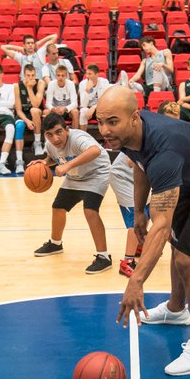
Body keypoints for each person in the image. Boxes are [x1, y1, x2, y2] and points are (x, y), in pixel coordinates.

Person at [99, 85, 190, 376]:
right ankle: (177, 309)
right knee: (177, 245)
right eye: (101, 122)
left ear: (134, 117)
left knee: (188, 260)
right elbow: (140, 164)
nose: (105, 130)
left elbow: (161, 225)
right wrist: (138, 211)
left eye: (112, 122)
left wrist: (136, 280)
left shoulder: (164, 149)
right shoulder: (127, 135)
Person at [33, 112, 113, 274]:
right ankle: (55, 243)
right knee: (58, 207)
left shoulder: (78, 138)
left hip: (97, 172)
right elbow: (54, 157)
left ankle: (104, 257)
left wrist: (67, 166)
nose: (55, 138)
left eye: (58, 132)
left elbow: (95, 151)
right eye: (49, 135)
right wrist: (45, 162)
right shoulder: (50, 145)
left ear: (67, 130)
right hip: (76, 176)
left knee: (90, 211)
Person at [15, 63, 45, 156]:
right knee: (19, 126)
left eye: (33, 75)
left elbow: (36, 105)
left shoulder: (40, 83)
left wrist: (29, 88)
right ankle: (19, 158)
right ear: (24, 76)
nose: (31, 78)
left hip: (37, 113)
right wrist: (27, 121)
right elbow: (18, 110)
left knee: (34, 110)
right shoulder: (17, 86)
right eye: (28, 75)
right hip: (24, 113)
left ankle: (37, 142)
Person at [78, 63, 111, 128]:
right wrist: (87, 90)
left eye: (90, 74)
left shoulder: (104, 82)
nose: (87, 76)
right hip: (88, 108)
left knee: (106, 111)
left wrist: (94, 107)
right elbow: (83, 104)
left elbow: (105, 101)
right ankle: (83, 133)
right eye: (86, 73)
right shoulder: (83, 84)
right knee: (83, 111)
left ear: (97, 74)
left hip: (101, 107)